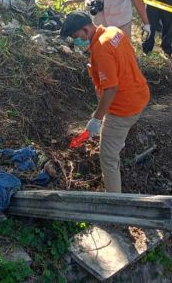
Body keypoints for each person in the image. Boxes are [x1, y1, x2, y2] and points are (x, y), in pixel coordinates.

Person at [60, 11, 150, 193]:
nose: (76, 41)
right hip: (139, 95)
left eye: (76, 36)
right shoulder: (114, 32)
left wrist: (96, 119)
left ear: (85, 29)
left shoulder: (101, 48)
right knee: (113, 143)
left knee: (108, 158)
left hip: (123, 108)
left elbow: (111, 89)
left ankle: (114, 210)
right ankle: (118, 142)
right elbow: (125, 60)